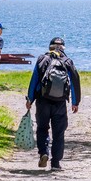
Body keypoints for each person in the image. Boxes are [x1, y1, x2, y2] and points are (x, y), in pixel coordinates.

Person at [25, 37, 81, 170]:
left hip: (43, 101)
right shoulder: (67, 61)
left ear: (49, 47)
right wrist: (75, 102)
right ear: (63, 48)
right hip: (60, 102)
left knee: (42, 128)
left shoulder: (42, 59)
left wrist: (30, 99)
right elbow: (75, 82)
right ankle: (55, 162)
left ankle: (44, 153)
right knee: (59, 133)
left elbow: (34, 81)